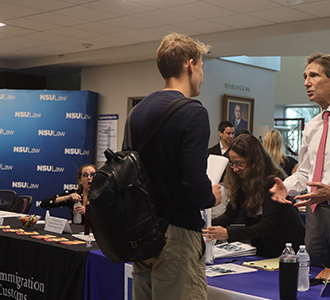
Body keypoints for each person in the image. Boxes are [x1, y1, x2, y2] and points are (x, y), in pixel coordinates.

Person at [126, 32, 221, 300]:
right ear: (190, 65)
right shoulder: (193, 111)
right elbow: (193, 180)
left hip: (142, 232)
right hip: (177, 235)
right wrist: (210, 196)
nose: (202, 74)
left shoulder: (138, 112)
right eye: (202, 66)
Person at [270, 53, 330, 270]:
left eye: (314, 75)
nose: (307, 82)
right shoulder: (312, 125)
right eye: (305, 77)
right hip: (315, 214)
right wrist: (285, 187)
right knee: (313, 275)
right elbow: (305, 173)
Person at [203, 134, 305, 258]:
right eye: (232, 164)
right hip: (264, 248)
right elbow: (229, 216)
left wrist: (227, 233)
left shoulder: (272, 182)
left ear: (254, 161)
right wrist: (205, 226)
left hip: (287, 248)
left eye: (239, 164)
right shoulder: (243, 183)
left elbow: (266, 226)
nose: (235, 169)